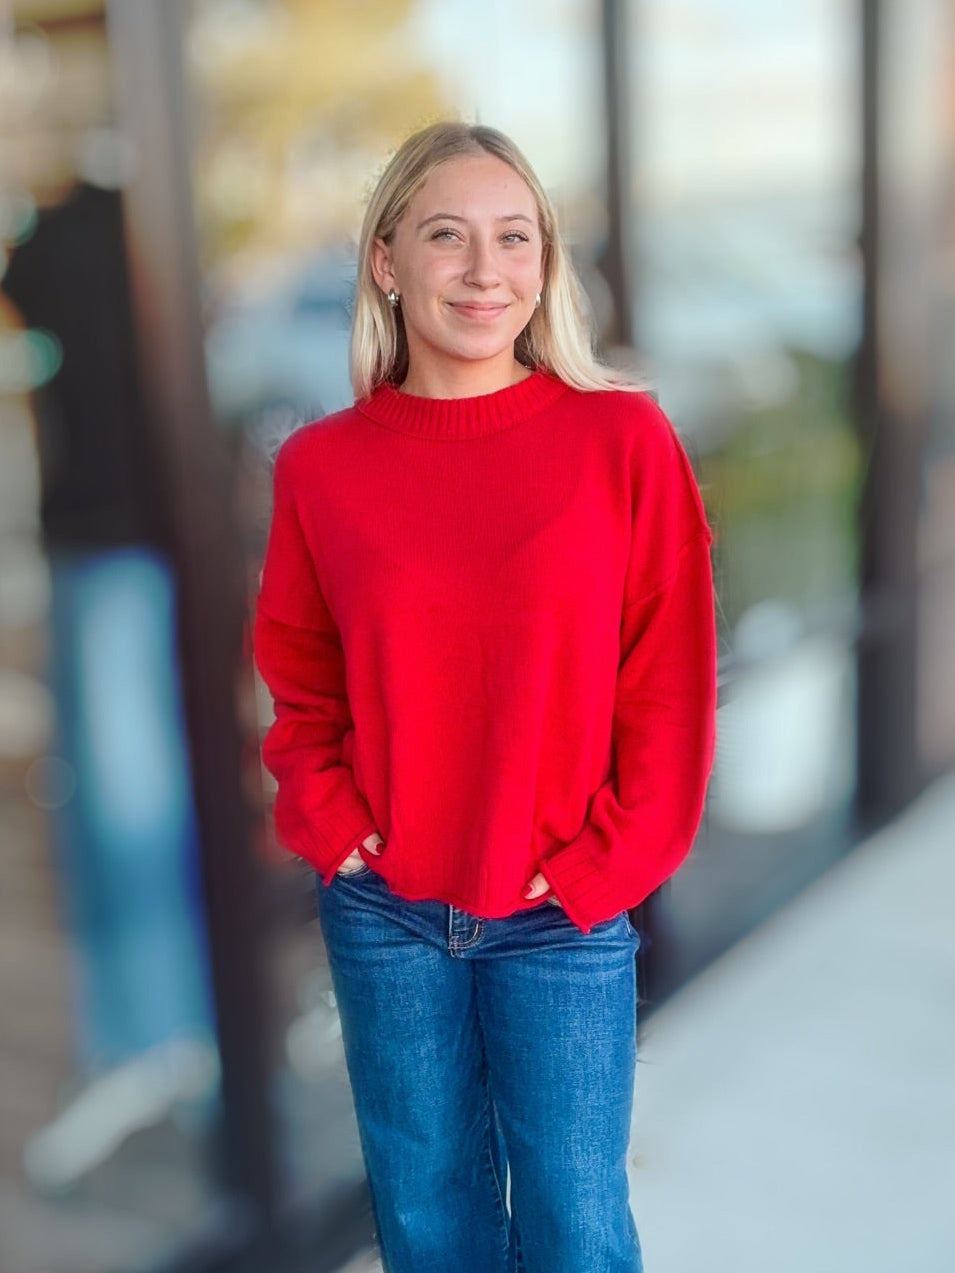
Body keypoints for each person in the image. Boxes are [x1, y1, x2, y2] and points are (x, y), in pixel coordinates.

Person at [253, 120, 717, 1273]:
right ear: (387, 261)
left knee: (575, 1233)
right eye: (447, 236)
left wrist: (602, 869)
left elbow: (669, 687)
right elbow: (302, 684)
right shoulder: (322, 467)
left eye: (514, 238)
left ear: (545, 264)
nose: (483, 270)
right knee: (427, 1227)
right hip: (387, 912)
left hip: (560, 915)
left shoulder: (621, 439)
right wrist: (334, 830)